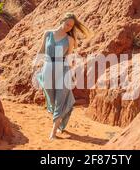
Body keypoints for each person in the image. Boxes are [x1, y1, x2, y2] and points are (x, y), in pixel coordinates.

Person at [36, 12, 91, 141]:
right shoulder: (47, 34)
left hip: (63, 70)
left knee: (60, 101)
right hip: (48, 69)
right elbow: (41, 50)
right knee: (53, 100)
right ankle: (60, 121)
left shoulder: (70, 40)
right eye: (67, 24)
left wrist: (71, 75)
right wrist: (35, 64)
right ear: (62, 21)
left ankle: (53, 133)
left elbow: (69, 58)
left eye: (71, 26)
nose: (68, 27)